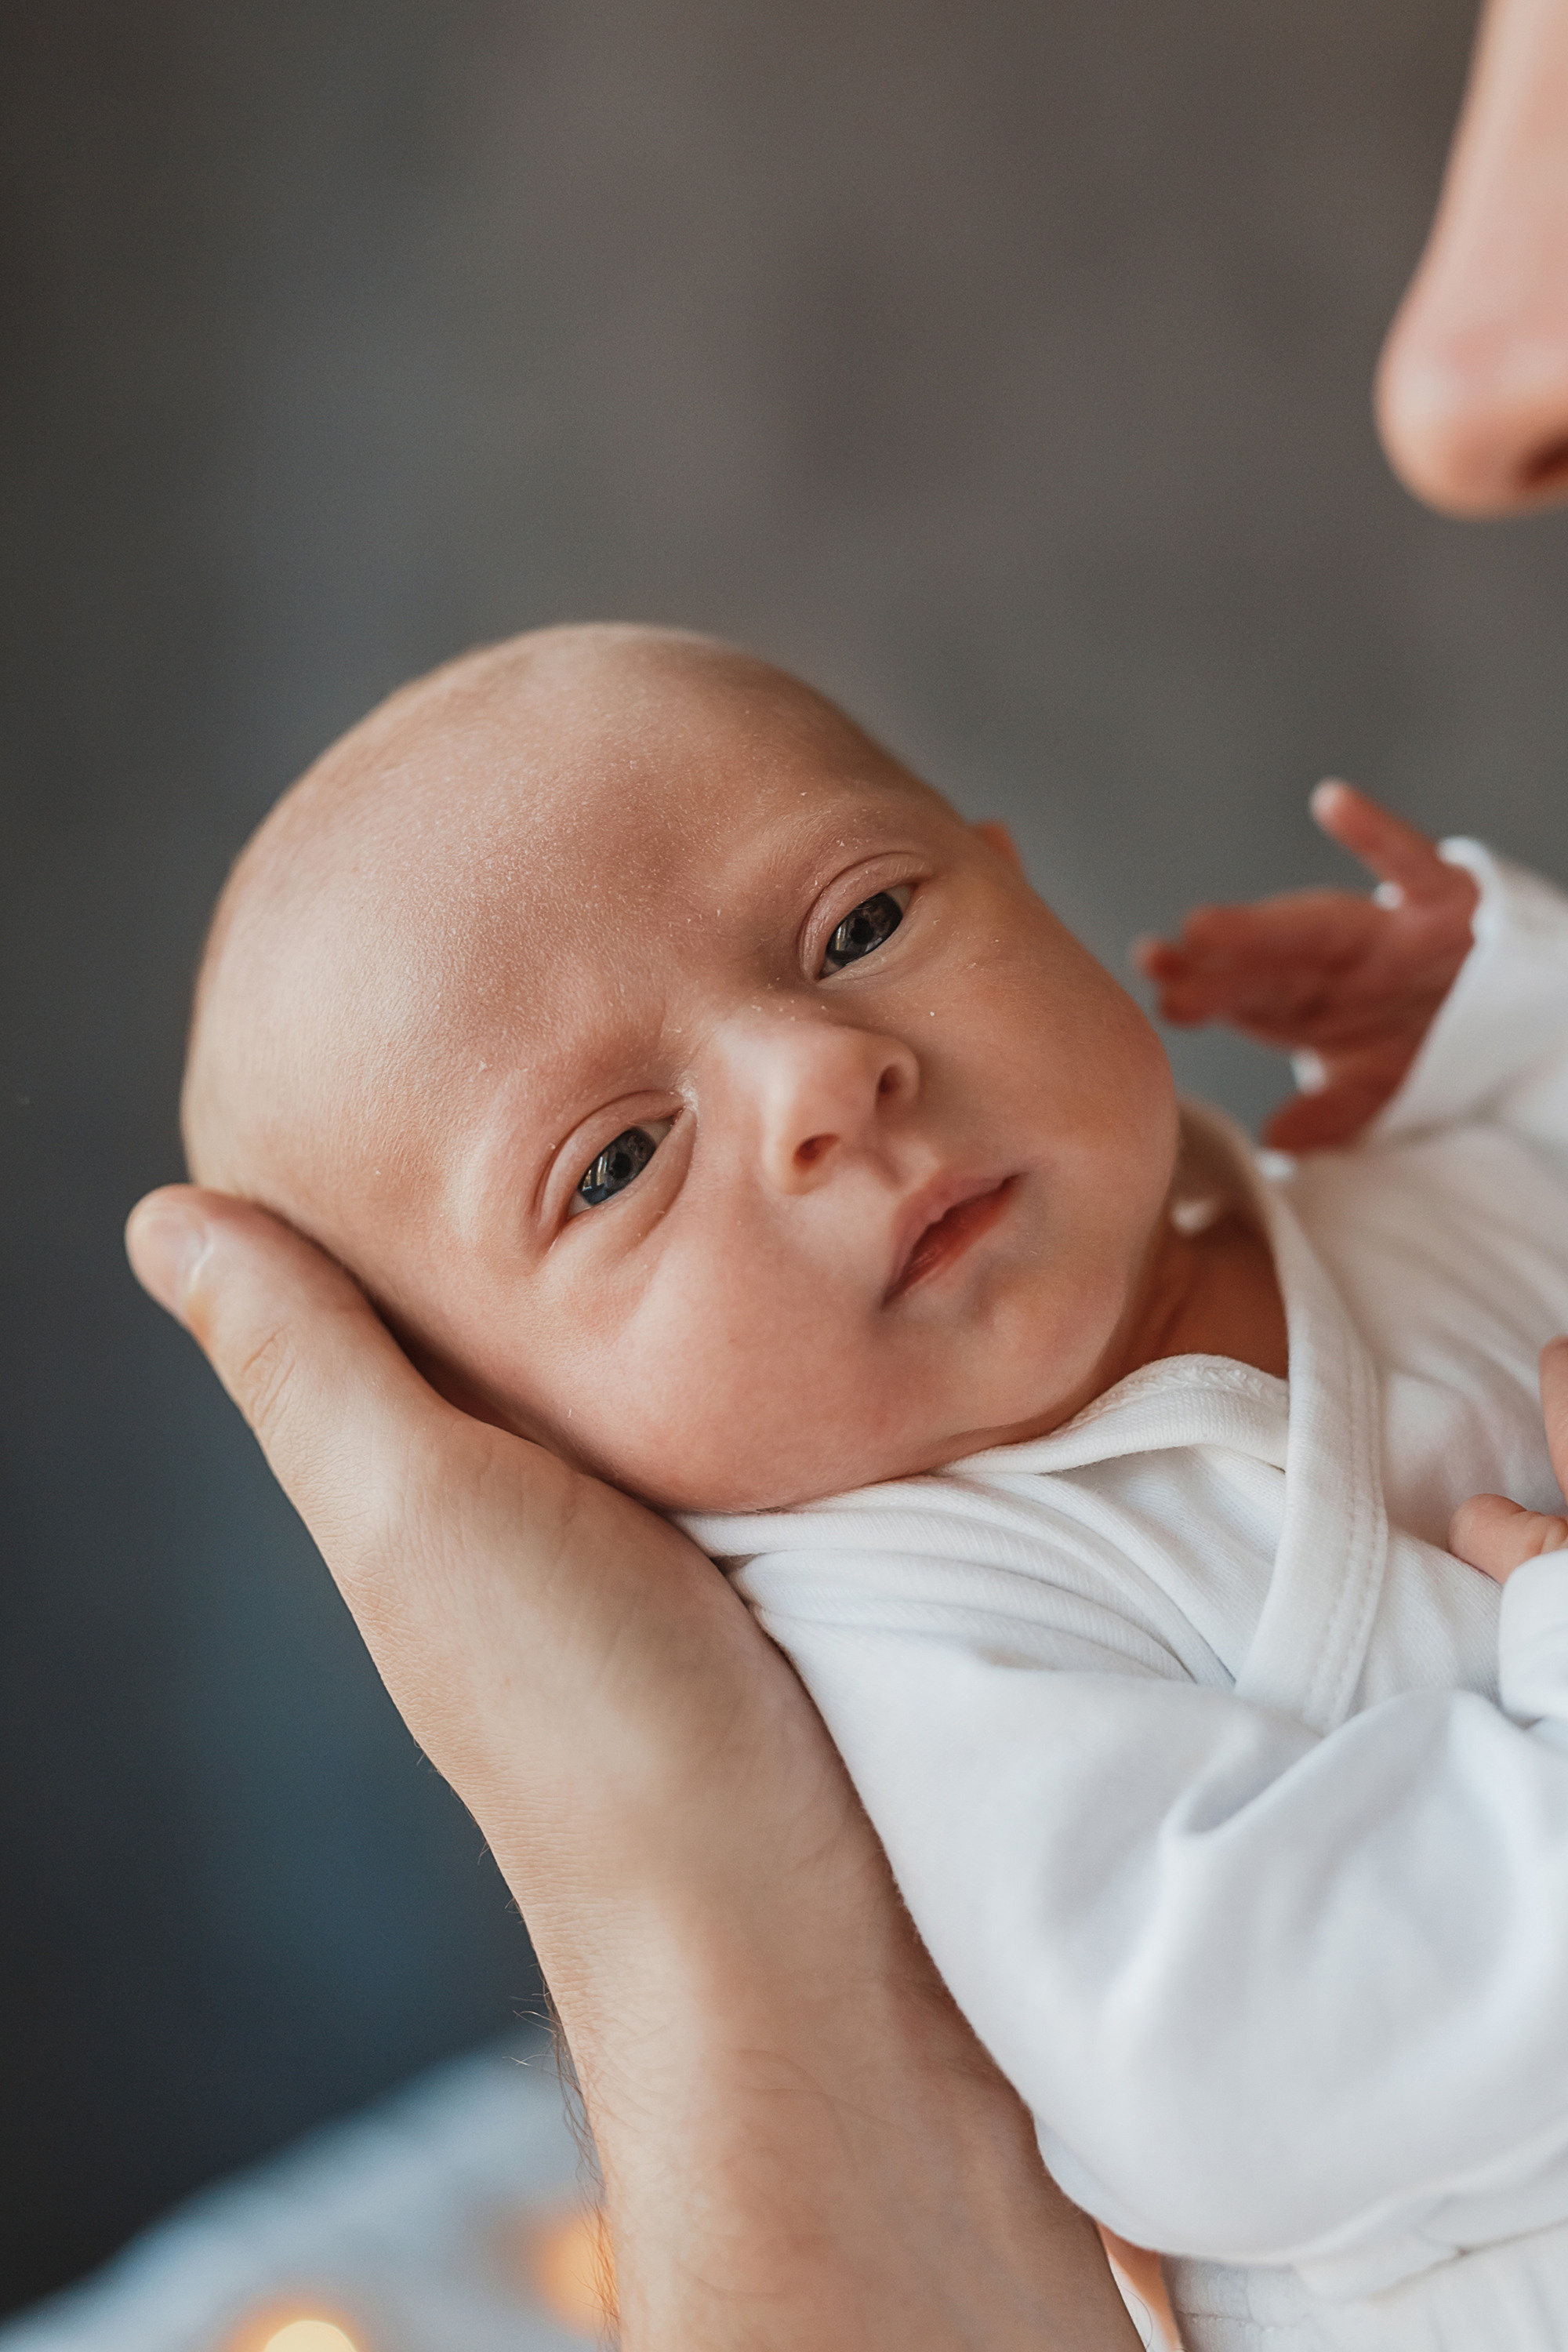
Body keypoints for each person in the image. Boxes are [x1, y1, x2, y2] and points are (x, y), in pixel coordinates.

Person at [123, 1, 1568, 2343]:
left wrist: (1513, 1012)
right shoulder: (923, 1631)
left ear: (1027, 883)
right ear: (502, 1434)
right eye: (612, 1167)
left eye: (866, 922)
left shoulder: (1394, 1197)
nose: (820, 1073)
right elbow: (1262, 2079)